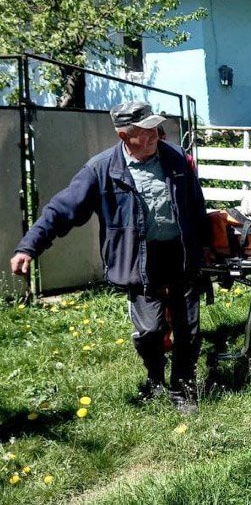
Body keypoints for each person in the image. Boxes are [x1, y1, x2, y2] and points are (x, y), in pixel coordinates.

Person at [10, 102, 210, 415]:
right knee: (151, 330)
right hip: (138, 259)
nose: (155, 135)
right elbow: (63, 209)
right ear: (124, 135)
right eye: (146, 132)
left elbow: (196, 205)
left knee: (188, 329)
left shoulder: (176, 159)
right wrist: (29, 246)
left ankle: (183, 389)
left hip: (180, 253)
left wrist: (206, 244)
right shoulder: (102, 168)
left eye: (156, 128)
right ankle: (155, 379)